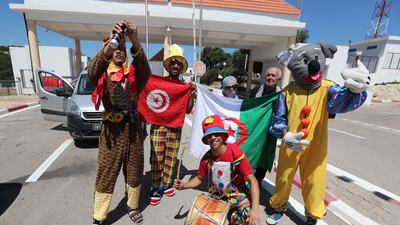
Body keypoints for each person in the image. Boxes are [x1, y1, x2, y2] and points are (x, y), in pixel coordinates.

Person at [88, 19, 150, 225]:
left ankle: (132, 206)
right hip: (111, 135)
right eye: (116, 48)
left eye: (123, 49)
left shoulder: (134, 77)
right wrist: (111, 44)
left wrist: (133, 38)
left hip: (134, 133)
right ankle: (99, 215)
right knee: (107, 173)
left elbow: (146, 70)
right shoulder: (102, 75)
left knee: (134, 171)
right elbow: (92, 70)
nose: (119, 51)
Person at [174, 115, 260, 225]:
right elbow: (200, 178)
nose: (213, 137)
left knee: (246, 218)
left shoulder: (236, 153)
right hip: (217, 193)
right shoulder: (206, 159)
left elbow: (252, 180)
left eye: (217, 133)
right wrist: (184, 185)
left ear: (224, 136)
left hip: (237, 192)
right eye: (209, 135)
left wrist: (255, 208)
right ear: (206, 139)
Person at [149, 44, 196, 205]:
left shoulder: (185, 87)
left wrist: (191, 95)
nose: (175, 65)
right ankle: (155, 187)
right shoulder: (159, 82)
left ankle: (166, 184)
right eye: (173, 62)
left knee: (170, 156)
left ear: (182, 67)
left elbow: (189, 109)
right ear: (169, 66)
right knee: (157, 157)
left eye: (178, 63)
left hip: (175, 127)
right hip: (158, 125)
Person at [250, 67, 282, 184]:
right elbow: (249, 107)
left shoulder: (281, 94)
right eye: (268, 75)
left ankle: (257, 181)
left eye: (273, 76)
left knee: (264, 155)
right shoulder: (256, 90)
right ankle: (246, 178)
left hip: (270, 131)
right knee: (251, 152)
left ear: (279, 78)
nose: (270, 78)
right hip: (255, 128)